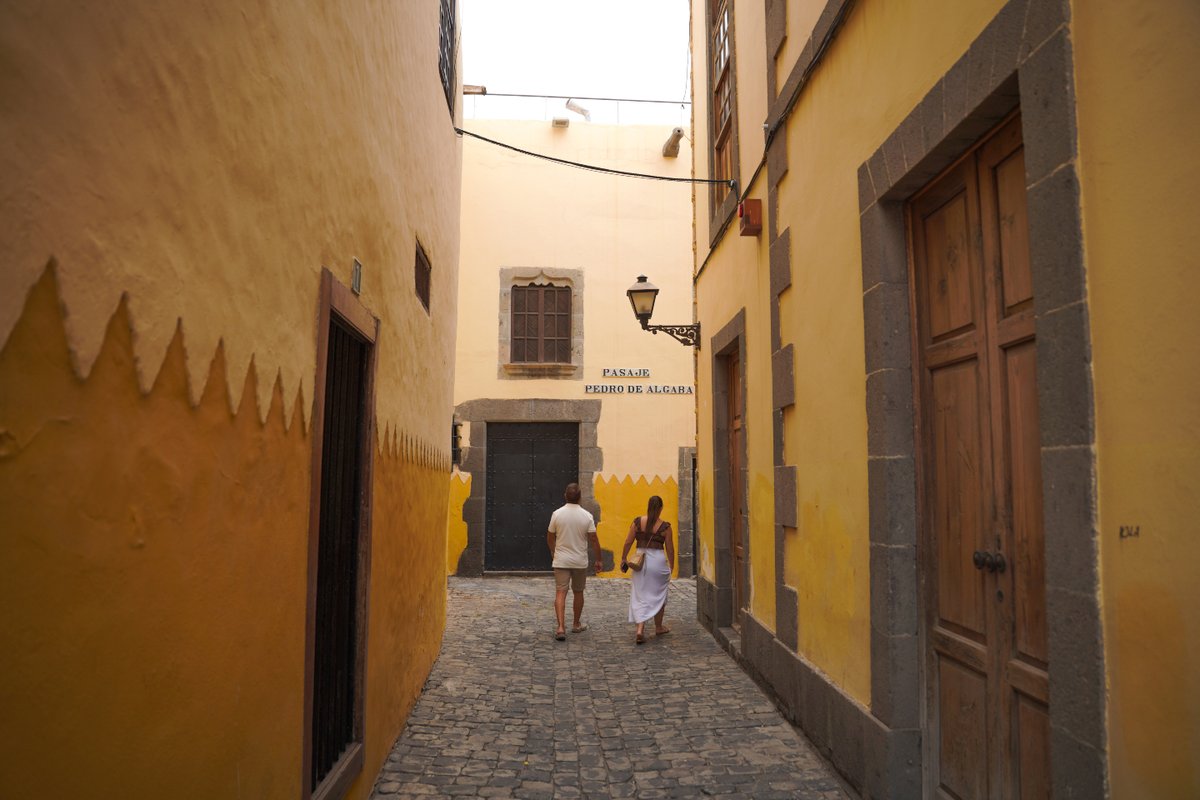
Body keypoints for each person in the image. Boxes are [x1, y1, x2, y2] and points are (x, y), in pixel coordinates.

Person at [546, 482, 602, 641]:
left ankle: (560, 627)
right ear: (580, 497)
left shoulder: (557, 514)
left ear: (565, 495)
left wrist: (554, 551)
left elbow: (550, 536)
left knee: (560, 592)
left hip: (561, 560)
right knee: (578, 592)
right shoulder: (587, 516)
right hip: (579, 561)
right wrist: (598, 559)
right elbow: (594, 540)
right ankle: (576, 624)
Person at [620, 495, 675, 645]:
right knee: (660, 593)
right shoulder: (665, 527)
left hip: (640, 561)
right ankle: (658, 627)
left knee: (640, 594)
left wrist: (624, 558)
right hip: (657, 563)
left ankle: (640, 629)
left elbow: (628, 542)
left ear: (648, 506)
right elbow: (670, 549)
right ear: (661, 508)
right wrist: (672, 565)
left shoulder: (638, 522)